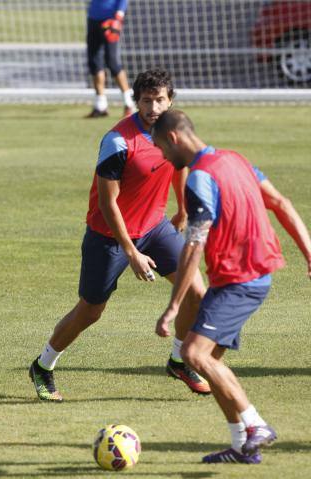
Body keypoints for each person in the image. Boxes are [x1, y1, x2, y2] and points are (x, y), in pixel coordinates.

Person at [29, 69, 210, 402]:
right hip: (109, 235)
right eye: (146, 100)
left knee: (197, 292)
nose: (153, 107)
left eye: (160, 99)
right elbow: (107, 203)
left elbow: (179, 165)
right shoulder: (117, 141)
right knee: (90, 311)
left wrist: (183, 208)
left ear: (171, 100)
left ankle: (179, 361)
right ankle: (43, 365)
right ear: (135, 101)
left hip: (155, 227)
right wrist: (131, 252)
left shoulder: (173, 130)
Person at [151, 110, 311, 464]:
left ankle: (255, 425)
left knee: (193, 355)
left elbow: (194, 243)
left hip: (237, 280)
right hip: (253, 275)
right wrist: (310, 253)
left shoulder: (199, 179)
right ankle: (242, 446)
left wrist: (174, 307)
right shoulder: (235, 160)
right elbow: (281, 202)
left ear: (173, 139)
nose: (163, 156)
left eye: (161, 148)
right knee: (211, 361)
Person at [85, 0, 136, 118]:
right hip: (93, 18)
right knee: (94, 62)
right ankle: (100, 105)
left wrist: (119, 16)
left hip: (111, 19)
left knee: (112, 62)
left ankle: (129, 103)